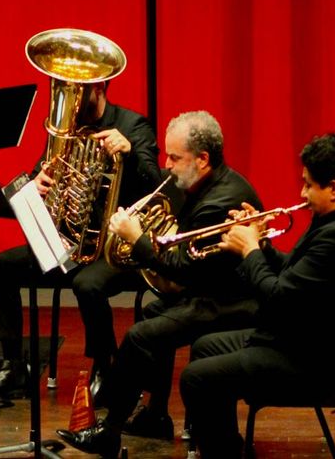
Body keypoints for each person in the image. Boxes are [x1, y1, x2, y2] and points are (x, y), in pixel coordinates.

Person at [56, 110, 263, 455]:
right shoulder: (203, 184)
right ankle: (155, 414)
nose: (167, 165)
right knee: (153, 314)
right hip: (211, 289)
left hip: (231, 302)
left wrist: (137, 239)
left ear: (202, 159)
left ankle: (109, 431)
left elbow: (183, 269)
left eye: (175, 158)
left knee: (141, 336)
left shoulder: (222, 200)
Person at [178, 133, 335, 458]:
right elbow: (295, 275)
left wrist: (249, 251)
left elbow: (278, 299)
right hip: (308, 339)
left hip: (318, 363)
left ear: (334, 189)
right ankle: (225, 446)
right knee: (205, 346)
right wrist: (262, 244)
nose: (302, 194)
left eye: (308, 185)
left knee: (196, 378)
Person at [0, 81, 161, 397]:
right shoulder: (66, 128)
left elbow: (155, 185)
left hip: (115, 247)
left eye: (80, 89)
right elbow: (42, 173)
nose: (72, 96)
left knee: (87, 285)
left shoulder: (133, 125)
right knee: (0, 267)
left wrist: (130, 153)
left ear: (100, 86)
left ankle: (105, 366)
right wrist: (37, 182)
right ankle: (13, 365)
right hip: (70, 243)